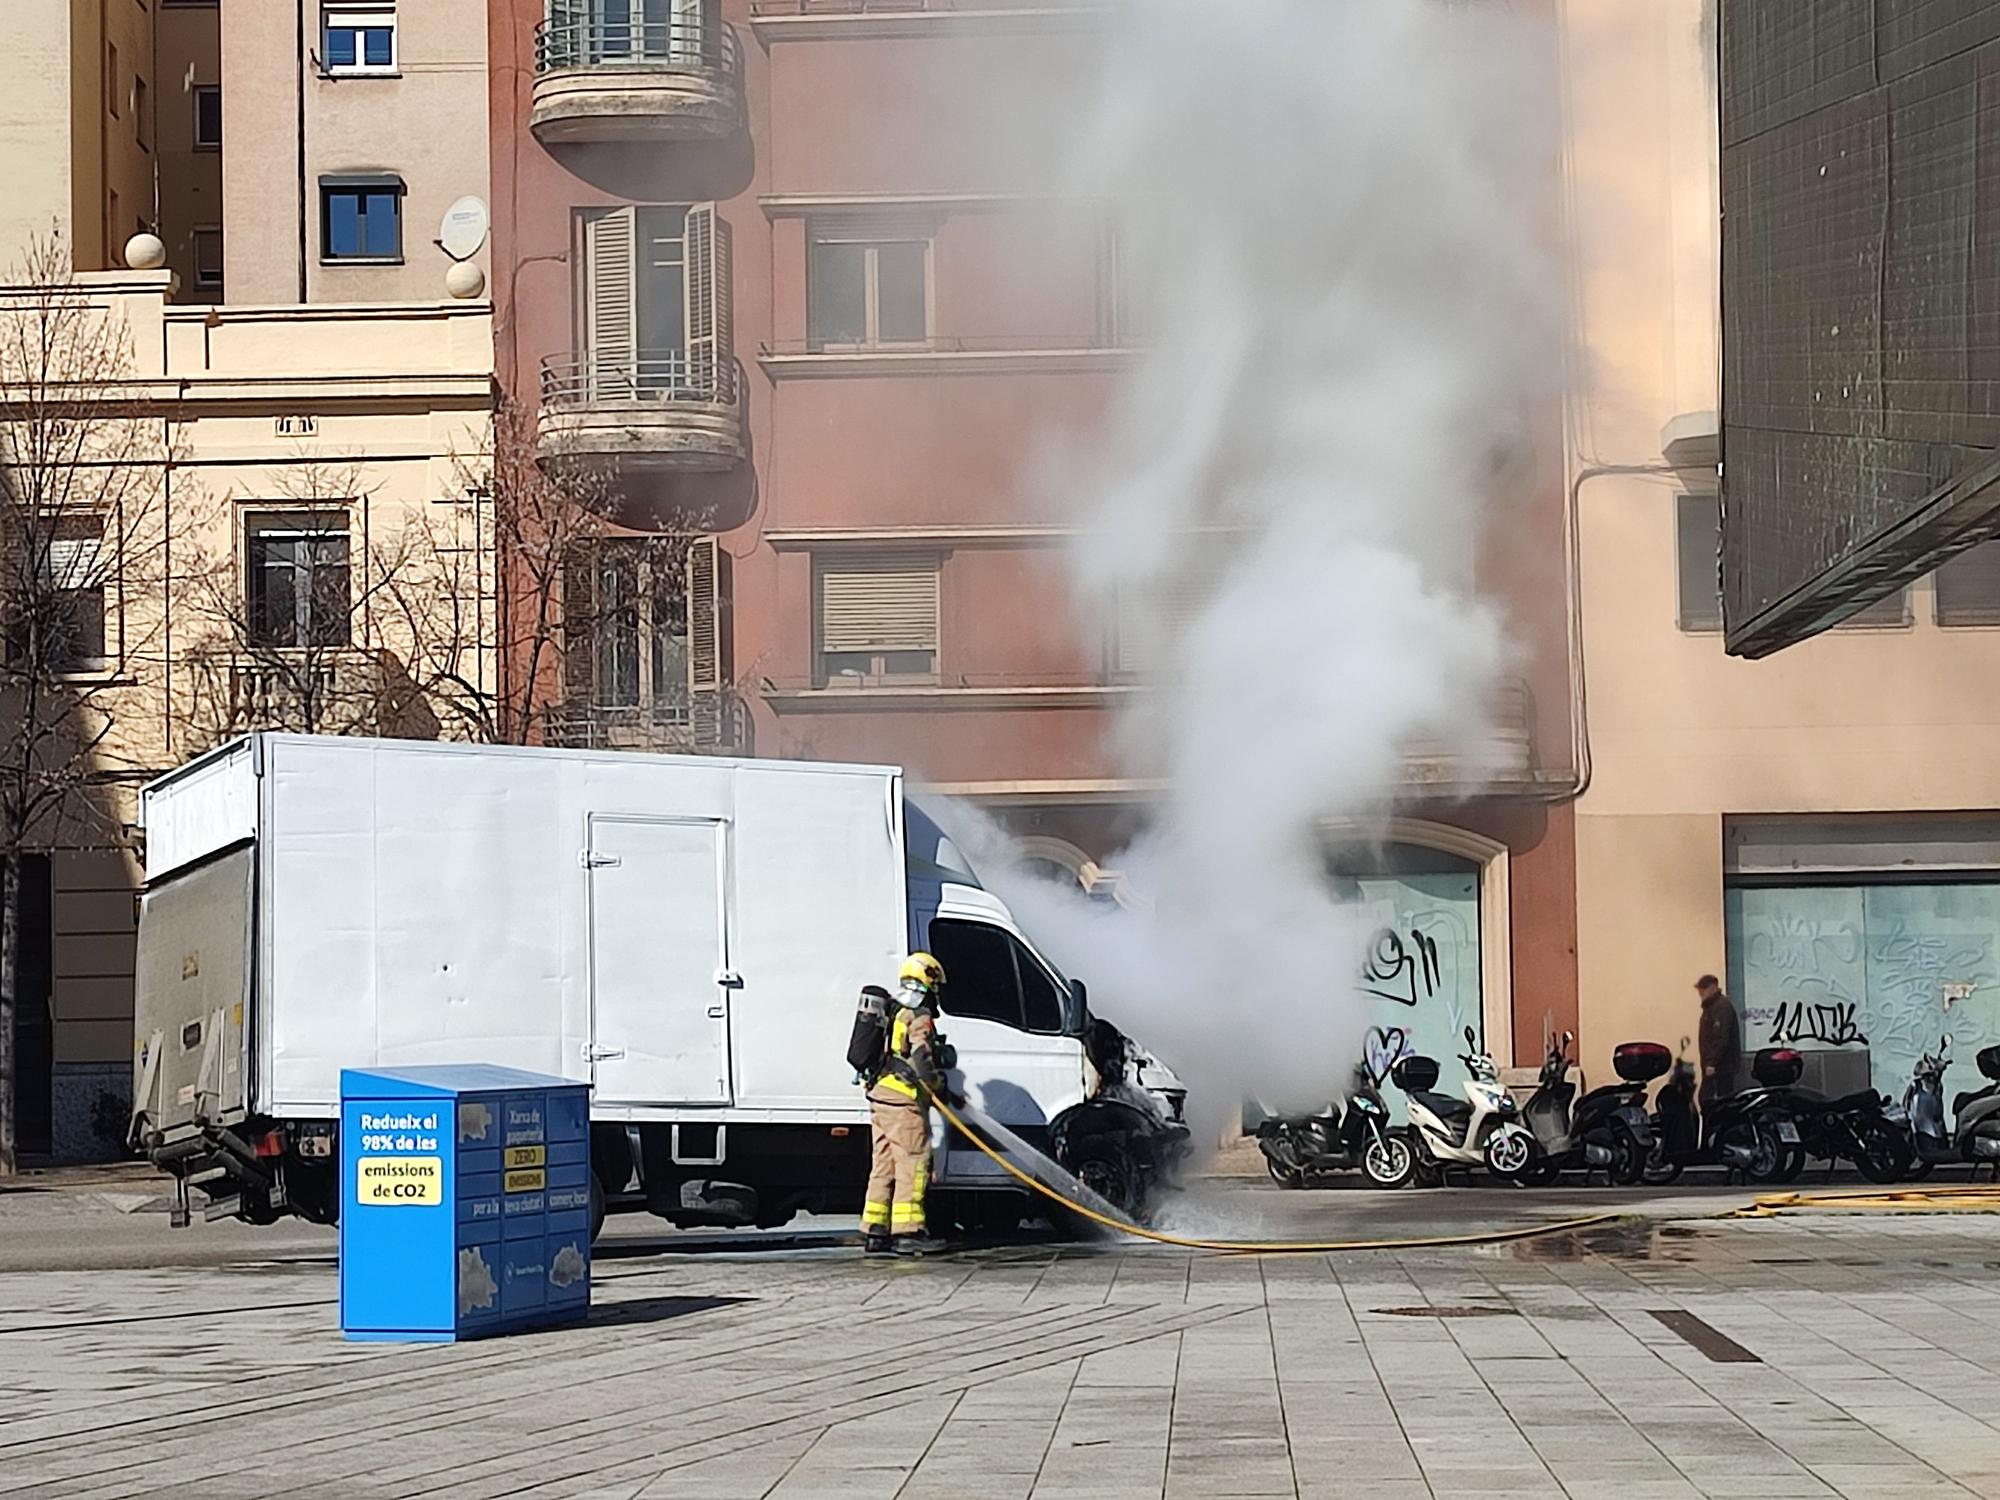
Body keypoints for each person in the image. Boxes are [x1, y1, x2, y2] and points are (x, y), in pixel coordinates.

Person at [862, 952, 953, 1258]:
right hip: (903, 1100)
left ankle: (875, 1231)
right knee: (913, 1163)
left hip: (880, 1094)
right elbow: (921, 1057)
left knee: (883, 1163)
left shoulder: (893, 1006)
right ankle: (908, 1232)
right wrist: (936, 1084)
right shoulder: (919, 1015)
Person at [1695, 974, 1741, 1117]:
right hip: (1715, 1066)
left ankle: (1722, 1133)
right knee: (1711, 1101)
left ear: (1713, 988)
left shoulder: (1721, 1007)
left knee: (1716, 1101)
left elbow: (1721, 1038)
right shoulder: (1711, 1007)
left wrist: (1712, 1063)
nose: (1701, 993)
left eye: (1704, 989)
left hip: (1721, 1067)